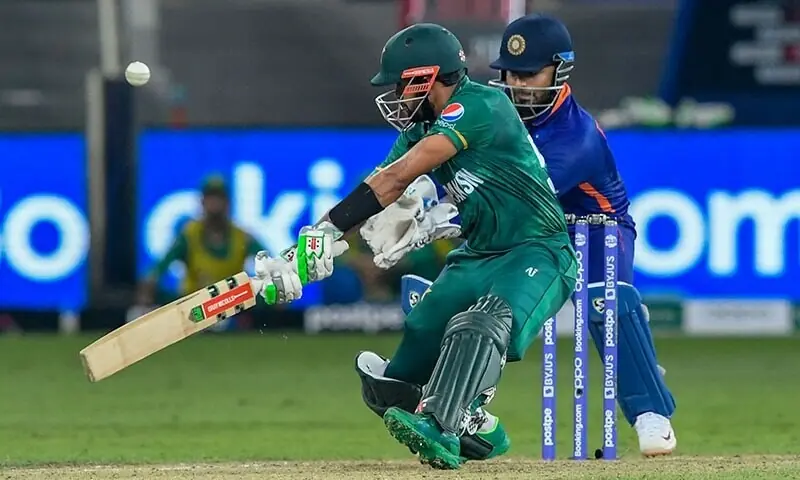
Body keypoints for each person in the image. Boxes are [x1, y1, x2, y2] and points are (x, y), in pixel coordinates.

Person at [253, 23, 577, 470]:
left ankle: (444, 426)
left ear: (426, 77)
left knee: (481, 323)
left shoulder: (483, 104)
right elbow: (376, 184)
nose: (397, 97)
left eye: (402, 85)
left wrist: (327, 232)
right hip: (477, 255)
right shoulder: (422, 127)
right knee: (393, 386)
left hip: (538, 252)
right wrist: (309, 248)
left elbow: (398, 177)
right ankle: (479, 429)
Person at [484, 13, 677, 456]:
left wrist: (458, 215)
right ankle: (463, 404)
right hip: (540, 228)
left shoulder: (576, 134)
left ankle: (652, 413)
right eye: (510, 73)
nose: (517, 84)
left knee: (601, 299)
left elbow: (523, 197)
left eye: (529, 73)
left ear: (559, 69)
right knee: (490, 300)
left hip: (598, 228)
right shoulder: (498, 114)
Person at [137, 176, 265, 304]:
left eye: (219, 198)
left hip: (233, 305)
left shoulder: (242, 237)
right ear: (202, 202)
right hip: (194, 307)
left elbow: (269, 263)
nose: (215, 204)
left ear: (227, 203)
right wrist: (148, 286)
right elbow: (159, 268)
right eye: (210, 198)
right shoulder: (190, 235)